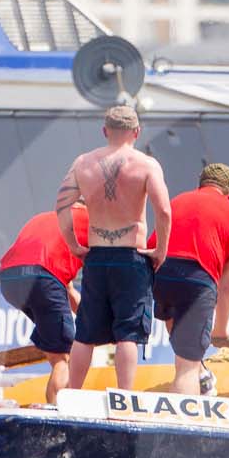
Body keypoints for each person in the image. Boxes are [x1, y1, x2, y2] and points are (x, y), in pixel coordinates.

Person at [55, 103, 171, 392]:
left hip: (95, 254)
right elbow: (164, 211)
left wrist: (74, 245)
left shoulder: (83, 163)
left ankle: (72, 393)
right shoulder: (146, 165)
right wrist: (161, 251)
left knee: (85, 333)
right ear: (137, 132)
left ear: (105, 131)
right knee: (128, 334)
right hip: (132, 255)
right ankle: (125, 396)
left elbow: (62, 206)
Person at [155, 162, 229, 395]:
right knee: (186, 366)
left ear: (201, 185)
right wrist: (220, 331)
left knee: (180, 335)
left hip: (161, 274)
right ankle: (184, 426)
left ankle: (201, 374)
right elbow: (227, 287)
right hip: (197, 278)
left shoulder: (177, 202)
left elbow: (153, 247)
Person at [0, 203, 90, 404]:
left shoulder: (44, 218)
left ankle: (54, 404)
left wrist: (90, 319)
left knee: (55, 345)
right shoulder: (91, 221)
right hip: (43, 278)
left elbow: (68, 292)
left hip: (9, 278)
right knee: (63, 358)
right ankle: (59, 415)